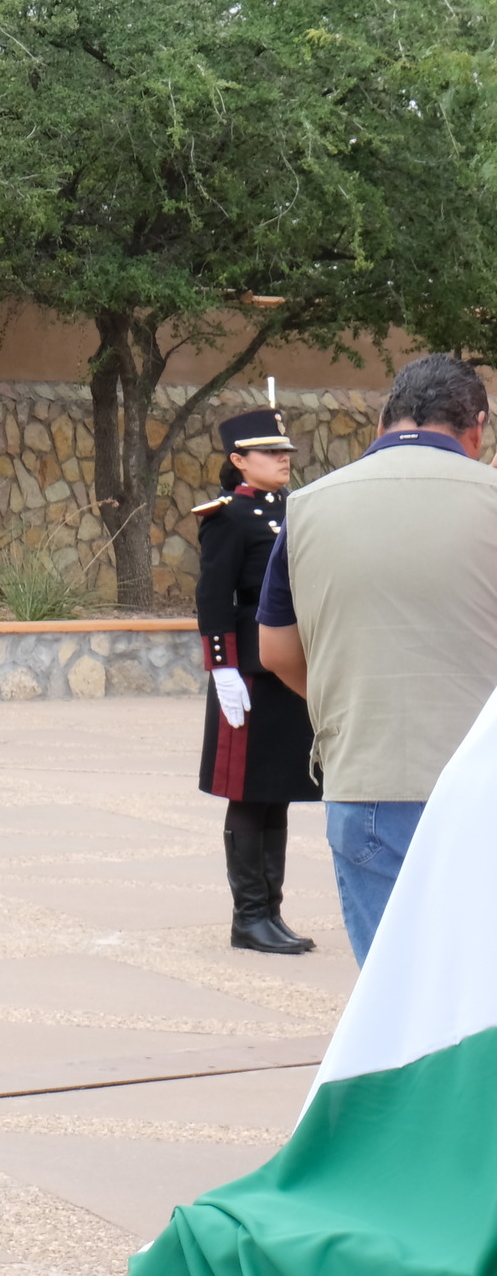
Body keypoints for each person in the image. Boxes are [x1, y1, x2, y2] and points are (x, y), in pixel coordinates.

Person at [257, 353, 497, 960]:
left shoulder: (307, 508)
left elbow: (276, 648)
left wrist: (352, 703)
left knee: (393, 1003)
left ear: (381, 422)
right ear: (478, 426)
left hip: (366, 777)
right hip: (481, 782)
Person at [191, 406, 317, 955]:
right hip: (246, 670)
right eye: (270, 453)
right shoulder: (228, 518)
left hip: (285, 668)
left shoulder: (297, 511)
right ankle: (249, 917)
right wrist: (222, 667)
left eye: (285, 451)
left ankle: (272, 911)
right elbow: (213, 597)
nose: (283, 460)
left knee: (279, 791)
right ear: (238, 461)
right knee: (247, 794)